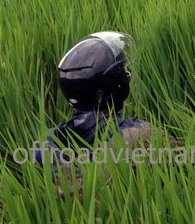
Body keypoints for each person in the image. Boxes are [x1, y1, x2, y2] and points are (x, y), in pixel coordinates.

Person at [36, 31, 152, 194]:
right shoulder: (141, 133)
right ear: (101, 93)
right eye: (121, 73)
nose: (126, 75)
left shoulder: (48, 142)